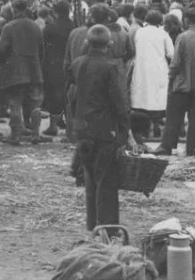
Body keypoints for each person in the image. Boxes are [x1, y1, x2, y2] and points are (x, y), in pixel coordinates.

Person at [71, 24, 130, 233]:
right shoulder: (111, 67)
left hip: (83, 129)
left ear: (87, 43)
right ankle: (107, 229)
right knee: (106, 182)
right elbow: (120, 102)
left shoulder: (78, 64)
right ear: (110, 44)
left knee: (90, 179)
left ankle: (93, 225)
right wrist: (125, 131)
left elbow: (73, 95)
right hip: (105, 130)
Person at [154, 8, 195, 156]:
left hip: (182, 82)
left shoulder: (182, 37)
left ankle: (167, 145)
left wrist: (170, 76)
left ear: (187, 20)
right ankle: (191, 146)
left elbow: (176, 62)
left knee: (174, 114)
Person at [0, 0, 46, 145]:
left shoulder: (9, 27)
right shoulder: (36, 26)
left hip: (15, 71)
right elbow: (42, 49)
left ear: (14, 10)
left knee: (15, 103)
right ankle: (36, 134)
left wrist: (3, 61)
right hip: (34, 70)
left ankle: (16, 136)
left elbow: (1, 49)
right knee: (35, 104)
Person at [130, 10, 174, 138]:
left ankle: (144, 128)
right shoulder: (163, 34)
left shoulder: (139, 32)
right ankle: (156, 125)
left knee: (143, 96)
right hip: (158, 68)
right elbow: (171, 53)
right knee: (157, 97)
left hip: (141, 67)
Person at [42, 0, 75, 136]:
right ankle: (69, 127)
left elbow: (44, 48)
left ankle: (53, 125)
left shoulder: (50, 28)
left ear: (55, 12)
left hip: (53, 64)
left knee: (54, 95)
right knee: (68, 94)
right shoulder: (74, 26)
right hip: (70, 63)